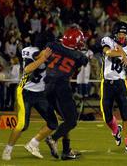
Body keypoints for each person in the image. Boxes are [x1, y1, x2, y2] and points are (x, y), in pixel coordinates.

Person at [2, 43, 58, 161]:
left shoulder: (52, 56)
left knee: (53, 123)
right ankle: (8, 149)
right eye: (47, 50)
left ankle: (33, 143)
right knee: (22, 125)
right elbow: (27, 69)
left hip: (40, 94)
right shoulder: (31, 52)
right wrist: (43, 58)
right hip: (25, 92)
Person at [44, 27, 88, 160]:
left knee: (66, 120)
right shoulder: (79, 56)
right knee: (72, 120)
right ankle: (53, 138)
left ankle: (66, 151)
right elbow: (79, 64)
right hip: (61, 86)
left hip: (47, 87)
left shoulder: (53, 46)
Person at [100, 21, 127, 156]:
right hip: (107, 83)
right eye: (120, 34)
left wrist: (126, 56)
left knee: (126, 115)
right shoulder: (108, 41)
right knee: (107, 116)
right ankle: (116, 131)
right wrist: (121, 52)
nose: (122, 36)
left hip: (120, 84)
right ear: (115, 34)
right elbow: (108, 52)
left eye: (124, 34)